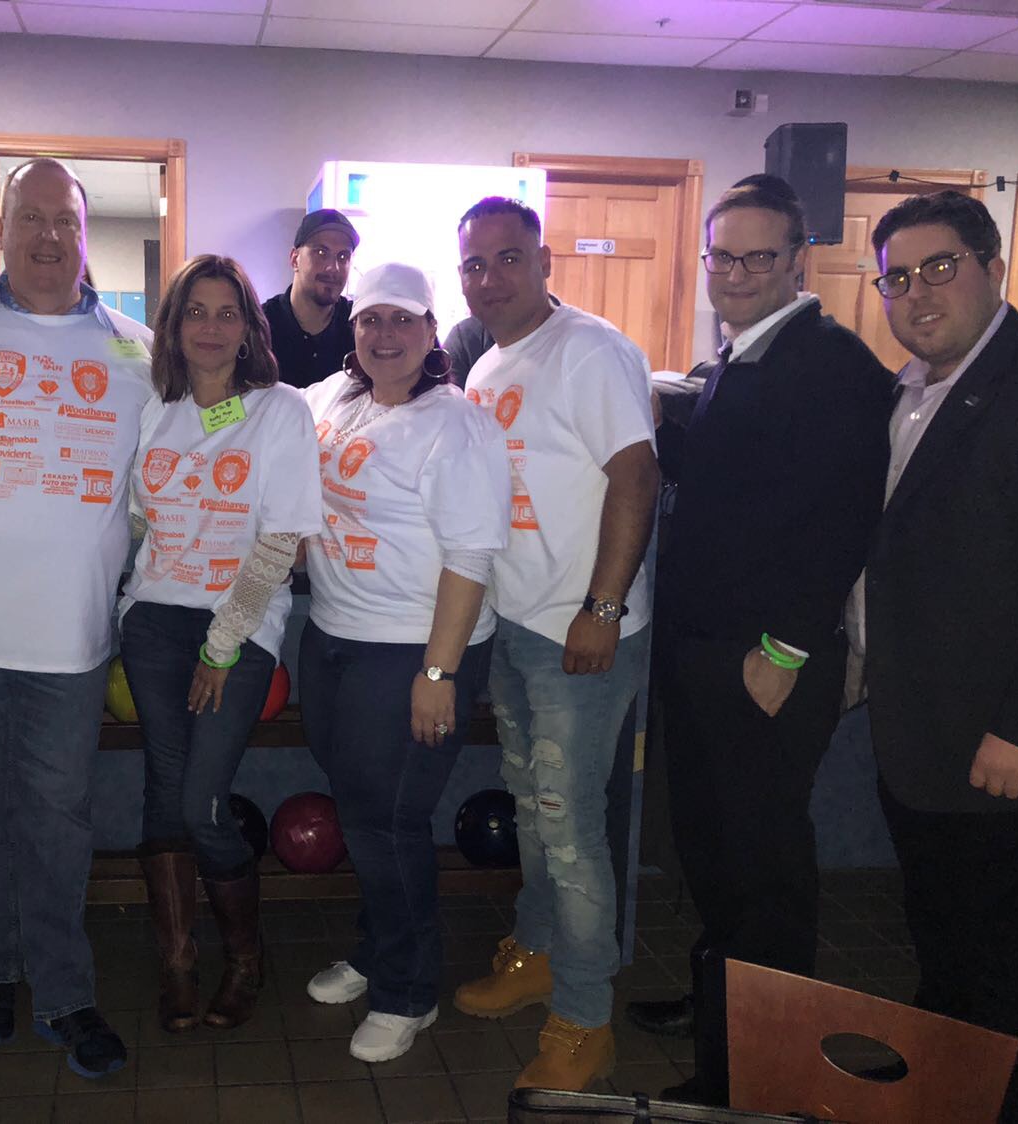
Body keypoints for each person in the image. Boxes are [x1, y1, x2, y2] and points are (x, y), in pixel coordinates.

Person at [632, 177, 893, 1105]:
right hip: (711, 650)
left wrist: (782, 654)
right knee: (715, 850)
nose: (735, 273)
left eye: (757, 256)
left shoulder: (829, 365)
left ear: (797, 261)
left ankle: (755, 1076)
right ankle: (721, 1007)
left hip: (767, 661)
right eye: (723, 255)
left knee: (762, 867)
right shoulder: (744, 357)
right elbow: (738, 487)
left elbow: (842, 520)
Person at [0, 158, 157, 1078]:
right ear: (1, 229)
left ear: (85, 236)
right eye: (31, 217)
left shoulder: (137, 350)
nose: (49, 236)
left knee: (59, 818)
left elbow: (203, 438)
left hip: (71, 633)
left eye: (66, 221)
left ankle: (64, 990)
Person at [452, 197, 660, 1092]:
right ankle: (536, 952)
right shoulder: (489, 362)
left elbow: (637, 474)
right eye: (474, 264)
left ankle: (584, 1017)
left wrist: (602, 607)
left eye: (508, 259)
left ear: (544, 262)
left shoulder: (590, 350)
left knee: (570, 832)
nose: (490, 278)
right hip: (517, 624)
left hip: (581, 631)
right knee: (535, 814)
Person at [858, 191, 1018, 1121]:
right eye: (897, 278)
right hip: (925, 735)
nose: (917, 293)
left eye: (940, 268)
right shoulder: (909, 392)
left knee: (1012, 970)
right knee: (947, 939)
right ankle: (942, 1086)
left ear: (993, 268)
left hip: (1004, 748)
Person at [299, 262, 511, 1063]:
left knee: (387, 820)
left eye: (402, 321)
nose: (383, 336)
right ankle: (377, 947)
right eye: (369, 320)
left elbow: (471, 557)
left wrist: (438, 673)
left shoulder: (457, 426)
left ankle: (409, 992)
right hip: (333, 635)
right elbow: (253, 413)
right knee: (360, 805)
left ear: (431, 331)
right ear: (352, 329)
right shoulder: (334, 397)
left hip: (415, 648)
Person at [120, 254, 320, 1034]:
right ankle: (177, 964)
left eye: (226, 312)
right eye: (195, 311)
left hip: (235, 631)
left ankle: (245, 958)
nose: (209, 327)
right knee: (163, 795)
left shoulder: (280, 410)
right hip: (152, 623)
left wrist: (222, 643)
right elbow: (140, 521)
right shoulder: (155, 411)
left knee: (204, 804)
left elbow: (284, 540)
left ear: (248, 328)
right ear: (173, 325)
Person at [261, 208, 358, 389]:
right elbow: (228, 395)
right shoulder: (257, 326)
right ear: (294, 259)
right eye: (321, 253)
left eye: (343, 256)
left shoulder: (359, 326)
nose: (333, 268)